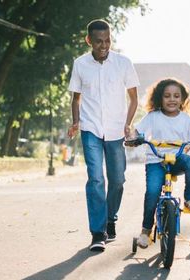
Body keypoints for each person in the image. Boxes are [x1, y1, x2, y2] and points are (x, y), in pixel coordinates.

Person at [67, 19, 139, 252]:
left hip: (117, 130)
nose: (104, 45)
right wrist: (76, 122)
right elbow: (76, 98)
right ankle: (98, 232)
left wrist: (128, 124)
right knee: (96, 179)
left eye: (107, 40)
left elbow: (134, 98)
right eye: (98, 41)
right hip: (90, 129)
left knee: (117, 180)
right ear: (89, 40)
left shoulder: (123, 63)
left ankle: (110, 220)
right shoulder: (80, 64)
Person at [130, 78, 190, 248]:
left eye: (176, 96)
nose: (172, 99)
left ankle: (189, 199)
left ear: (182, 99)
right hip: (156, 160)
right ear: (159, 98)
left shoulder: (185, 119)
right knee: (153, 192)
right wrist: (134, 138)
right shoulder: (153, 116)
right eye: (167, 96)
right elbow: (137, 131)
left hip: (177, 159)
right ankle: (145, 231)